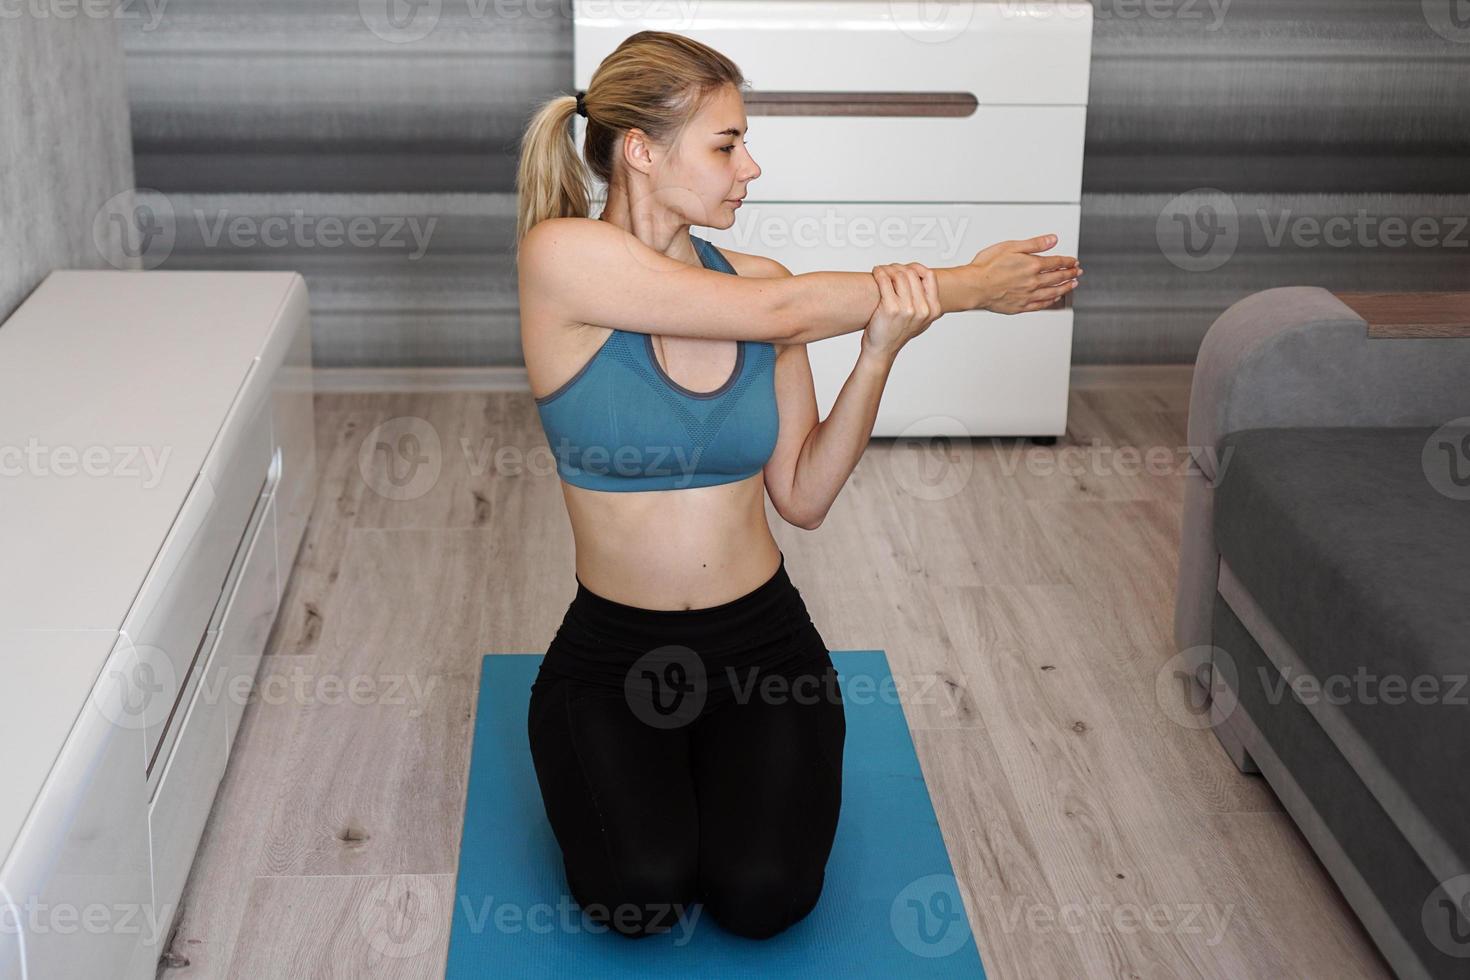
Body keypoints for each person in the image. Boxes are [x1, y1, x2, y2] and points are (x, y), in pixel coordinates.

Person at [513, 30, 1082, 941]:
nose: (752, 167)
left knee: (766, 898)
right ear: (641, 150)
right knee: (638, 894)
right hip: (613, 659)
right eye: (727, 144)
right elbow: (778, 315)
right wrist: (971, 284)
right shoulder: (561, 259)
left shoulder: (762, 281)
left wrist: (877, 355)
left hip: (764, 653)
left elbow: (804, 496)